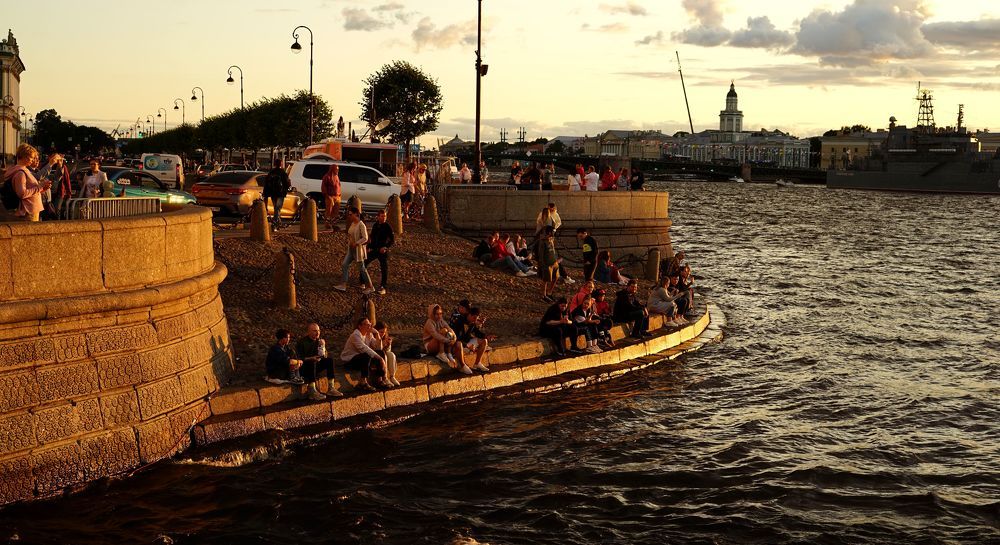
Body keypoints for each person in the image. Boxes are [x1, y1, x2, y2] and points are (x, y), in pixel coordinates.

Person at [2, 144, 57, 222]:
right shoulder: (20, 173)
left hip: (31, 210)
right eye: (32, 157)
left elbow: (30, 190)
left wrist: (43, 189)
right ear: (25, 156)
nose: (33, 160)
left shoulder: (24, 170)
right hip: (28, 211)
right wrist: (39, 186)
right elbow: (22, 194)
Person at [295, 323, 342, 399]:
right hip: (304, 368)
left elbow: (325, 356)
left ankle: (331, 387)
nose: (317, 333)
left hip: (315, 366)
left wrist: (323, 346)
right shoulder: (302, 342)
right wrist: (311, 358)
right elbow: (299, 358)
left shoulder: (319, 341)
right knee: (312, 362)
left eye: (318, 331)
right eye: (314, 331)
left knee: (329, 360)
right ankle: (312, 390)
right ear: (308, 332)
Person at [334, 207, 376, 294]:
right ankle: (343, 284)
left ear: (356, 214)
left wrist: (357, 243)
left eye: (350, 214)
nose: (349, 216)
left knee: (362, 269)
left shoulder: (361, 224)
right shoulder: (353, 223)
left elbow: (365, 238)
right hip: (351, 249)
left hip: (358, 250)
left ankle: (370, 286)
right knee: (345, 264)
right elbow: (350, 234)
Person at [340, 317, 388, 391]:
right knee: (366, 355)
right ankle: (363, 382)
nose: (369, 326)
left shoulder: (369, 334)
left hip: (362, 359)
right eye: (367, 324)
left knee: (381, 353)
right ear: (360, 326)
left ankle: (380, 380)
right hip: (350, 361)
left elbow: (379, 348)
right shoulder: (355, 335)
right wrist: (379, 358)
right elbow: (364, 348)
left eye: (370, 324)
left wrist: (377, 334)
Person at [423, 304, 472, 374]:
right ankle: (441, 353)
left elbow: (450, 329)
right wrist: (448, 341)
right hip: (430, 345)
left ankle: (462, 365)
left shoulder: (441, 320)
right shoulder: (429, 322)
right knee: (444, 331)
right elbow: (436, 335)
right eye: (437, 314)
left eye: (440, 314)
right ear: (432, 314)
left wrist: (454, 338)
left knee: (458, 344)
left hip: (442, 343)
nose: (439, 316)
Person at [363, 208, 394, 294]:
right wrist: (369, 247)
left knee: (384, 269)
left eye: (385, 216)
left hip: (382, 251)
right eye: (382, 216)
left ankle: (383, 286)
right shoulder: (375, 225)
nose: (384, 218)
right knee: (364, 263)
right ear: (378, 217)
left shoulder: (388, 227)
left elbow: (392, 240)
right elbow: (372, 237)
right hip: (375, 249)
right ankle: (363, 282)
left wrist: (386, 247)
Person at [453, 306, 492, 372]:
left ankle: (477, 363)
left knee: (484, 341)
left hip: (466, 343)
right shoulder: (460, 321)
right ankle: (463, 366)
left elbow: (477, 333)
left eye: (476, 318)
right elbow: (457, 339)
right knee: (459, 343)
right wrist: (468, 346)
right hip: (457, 345)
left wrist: (486, 336)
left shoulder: (472, 322)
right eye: (474, 318)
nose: (475, 320)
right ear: (469, 315)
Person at [263, 159, 290, 227]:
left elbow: (267, 182)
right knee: (277, 208)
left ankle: (278, 221)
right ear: (280, 164)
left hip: (273, 192)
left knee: (276, 207)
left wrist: (266, 193)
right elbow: (286, 182)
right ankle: (275, 222)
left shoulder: (271, 172)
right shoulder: (282, 172)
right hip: (281, 193)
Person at [538, 226, 561, 302]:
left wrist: (556, 260)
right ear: (549, 232)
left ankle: (549, 293)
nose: (554, 233)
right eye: (553, 231)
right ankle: (543, 296)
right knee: (545, 280)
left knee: (556, 277)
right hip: (547, 264)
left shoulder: (551, 240)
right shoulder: (543, 242)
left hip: (554, 263)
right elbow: (541, 255)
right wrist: (542, 265)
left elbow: (553, 251)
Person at [373, 321, 401, 386]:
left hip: (383, 355)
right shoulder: (373, 336)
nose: (383, 334)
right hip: (376, 356)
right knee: (386, 354)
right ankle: (384, 378)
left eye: (384, 332)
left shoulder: (385, 337)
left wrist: (388, 345)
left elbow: (388, 351)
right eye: (381, 332)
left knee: (391, 354)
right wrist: (381, 344)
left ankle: (392, 376)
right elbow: (376, 349)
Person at [321, 163, 341, 230]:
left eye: (338, 169)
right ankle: (327, 224)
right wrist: (327, 196)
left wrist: (339, 195)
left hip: (337, 196)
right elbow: (323, 187)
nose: (337, 171)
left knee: (335, 212)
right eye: (336, 169)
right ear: (332, 169)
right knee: (329, 211)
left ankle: (333, 224)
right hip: (330, 197)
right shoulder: (327, 176)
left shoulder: (337, 176)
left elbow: (339, 186)